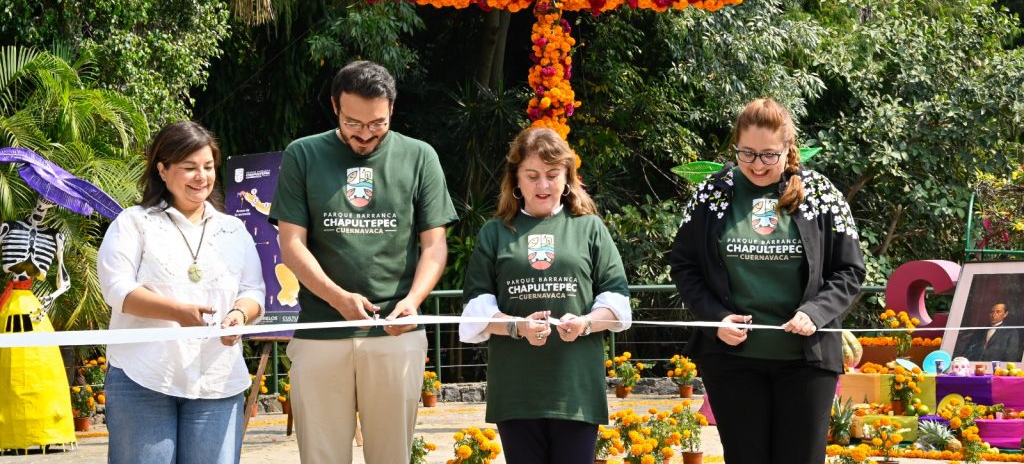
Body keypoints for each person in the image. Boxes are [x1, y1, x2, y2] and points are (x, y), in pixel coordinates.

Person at [270, 60, 457, 464]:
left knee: (392, 456)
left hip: (395, 333)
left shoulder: (419, 156)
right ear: (335, 106)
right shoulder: (303, 154)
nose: (366, 134)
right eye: (354, 123)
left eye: (378, 124)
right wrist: (337, 297)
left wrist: (414, 300)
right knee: (321, 456)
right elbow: (292, 244)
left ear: (391, 109)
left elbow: (435, 245)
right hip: (321, 330)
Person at [670, 98, 865, 464]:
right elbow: (684, 265)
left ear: (789, 149)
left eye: (769, 155)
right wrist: (714, 318)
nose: (757, 165)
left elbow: (850, 270)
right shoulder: (710, 194)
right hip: (732, 362)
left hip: (806, 362)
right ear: (736, 146)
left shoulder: (822, 194)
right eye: (747, 153)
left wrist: (816, 312)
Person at [459, 127, 631, 464]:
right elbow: (475, 312)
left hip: (577, 391)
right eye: (532, 175)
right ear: (516, 179)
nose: (543, 186)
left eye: (552, 175)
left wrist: (585, 323)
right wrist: (515, 327)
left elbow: (618, 303)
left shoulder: (590, 227)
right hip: (516, 392)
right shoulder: (494, 233)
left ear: (567, 176)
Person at [97, 122, 265, 464]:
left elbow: (254, 291)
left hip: (217, 382)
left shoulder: (234, 230)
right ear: (162, 169)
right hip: (144, 377)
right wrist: (177, 312)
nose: (200, 176)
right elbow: (117, 289)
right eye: (189, 168)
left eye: (207, 167)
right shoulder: (134, 222)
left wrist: (239, 315)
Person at [953, 302, 1021, 362]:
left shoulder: (1011, 332)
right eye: (992, 311)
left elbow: (1011, 356)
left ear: (1005, 314)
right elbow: (969, 350)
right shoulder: (980, 331)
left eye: (998, 312)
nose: (994, 315)